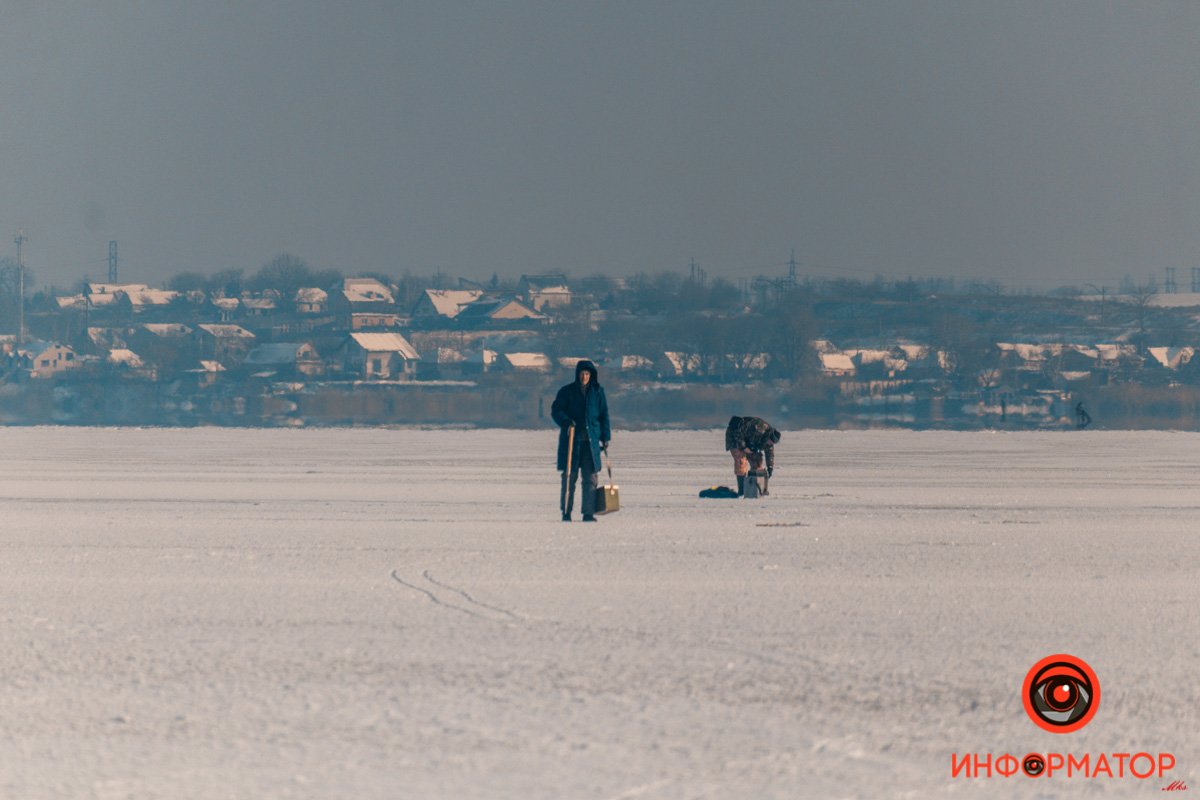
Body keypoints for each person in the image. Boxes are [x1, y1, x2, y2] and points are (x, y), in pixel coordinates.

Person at [551, 360, 611, 522]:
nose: (585, 377)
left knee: (590, 478)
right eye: (582, 373)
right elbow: (556, 410)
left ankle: (588, 513)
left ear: (591, 375)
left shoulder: (597, 392)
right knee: (569, 478)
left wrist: (605, 436)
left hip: (591, 444)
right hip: (571, 442)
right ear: (577, 375)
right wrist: (566, 421)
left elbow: (603, 415)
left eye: (587, 374)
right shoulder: (567, 391)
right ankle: (566, 512)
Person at [725, 415, 782, 496]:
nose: (770, 444)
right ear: (769, 437)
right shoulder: (758, 428)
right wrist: (744, 447)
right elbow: (738, 432)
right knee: (741, 461)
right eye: (770, 442)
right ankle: (742, 491)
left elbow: (770, 454)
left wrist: (770, 467)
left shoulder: (769, 443)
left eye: (772, 443)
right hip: (734, 437)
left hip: (749, 443)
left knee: (757, 462)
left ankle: (757, 489)